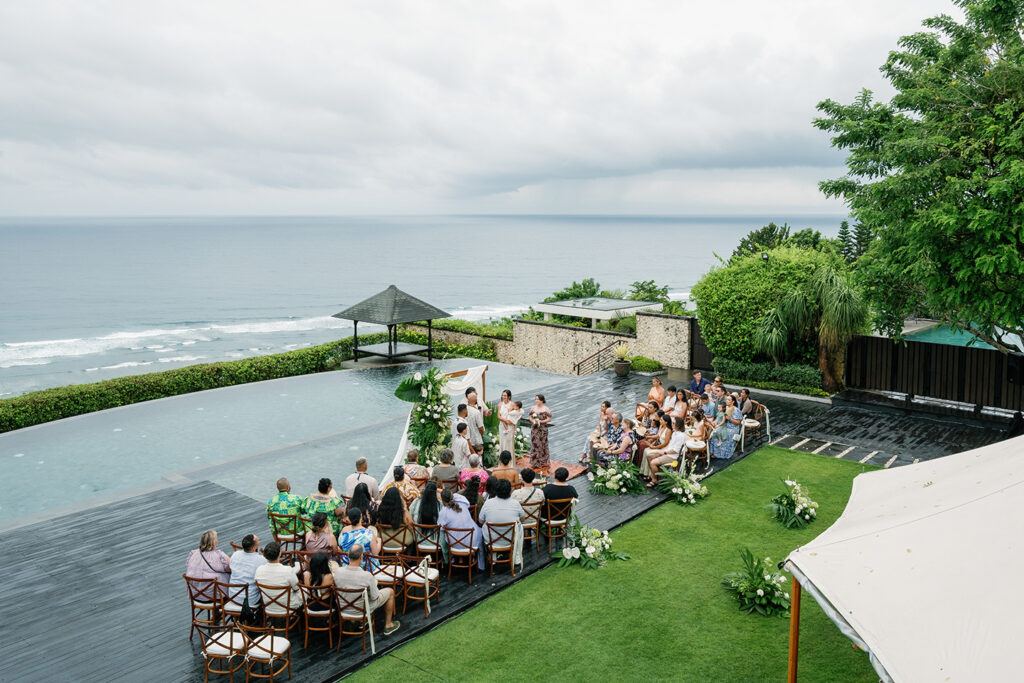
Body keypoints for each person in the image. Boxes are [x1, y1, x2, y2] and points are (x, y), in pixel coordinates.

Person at [332, 544, 400, 635]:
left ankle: (359, 622)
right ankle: (388, 625)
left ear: (348, 556)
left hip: (343, 609)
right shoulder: (367, 576)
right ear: (361, 556)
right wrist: (374, 584)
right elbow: (375, 597)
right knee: (390, 591)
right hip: (362, 610)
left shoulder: (338, 572)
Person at [438, 488, 484, 569]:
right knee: (478, 531)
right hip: (471, 542)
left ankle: (449, 560)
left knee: (444, 534)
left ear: (442, 500)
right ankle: (476, 561)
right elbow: (465, 500)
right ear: (453, 496)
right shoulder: (463, 504)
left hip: (454, 545)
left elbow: (440, 528)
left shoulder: (443, 512)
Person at [253, 541, 302, 612]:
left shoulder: (259, 569)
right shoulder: (288, 570)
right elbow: (296, 588)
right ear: (280, 554)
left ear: (264, 555)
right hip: (287, 607)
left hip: (268, 606)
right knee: (304, 590)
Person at [229, 534, 267, 608]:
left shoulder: (235, 555)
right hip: (250, 600)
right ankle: (262, 616)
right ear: (254, 547)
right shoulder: (261, 560)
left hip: (233, 598)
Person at [645, 416, 687, 483]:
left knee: (653, 463)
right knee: (649, 456)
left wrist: (664, 453)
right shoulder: (675, 433)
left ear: (678, 425)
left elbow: (675, 451)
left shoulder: (680, 436)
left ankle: (654, 480)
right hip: (667, 453)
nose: (672, 424)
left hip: (672, 457)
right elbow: (670, 445)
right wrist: (662, 451)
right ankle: (654, 475)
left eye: (673, 423)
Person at [710, 395, 743, 460]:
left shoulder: (736, 410)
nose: (726, 401)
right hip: (724, 425)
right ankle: (713, 452)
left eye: (728, 400)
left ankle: (721, 454)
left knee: (723, 435)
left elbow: (738, 422)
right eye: (726, 399)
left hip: (732, 428)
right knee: (714, 433)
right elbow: (719, 416)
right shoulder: (726, 408)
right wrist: (715, 422)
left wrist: (730, 419)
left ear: (733, 402)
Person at [528, 394, 551, 469]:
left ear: (541, 400)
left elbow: (549, 419)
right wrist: (533, 421)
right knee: (535, 444)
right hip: (535, 428)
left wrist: (541, 421)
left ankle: (543, 461)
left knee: (543, 444)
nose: (536, 400)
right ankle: (535, 462)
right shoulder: (533, 408)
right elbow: (530, 417)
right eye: (535, 399)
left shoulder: (546, 408)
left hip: (543, 428)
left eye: (537, 399)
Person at [497, 389, 517, 456]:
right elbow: (498, 416)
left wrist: (514, 427)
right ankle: (502, 461)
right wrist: (505, 421)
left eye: (505, 395)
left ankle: (509, 461)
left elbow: (515, 416)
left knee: (508, 443)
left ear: (509, 396)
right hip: (502, 426)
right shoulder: (500, 404)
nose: (503, 397)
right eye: (502, 395)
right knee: (502, 442)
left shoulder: (512, 404)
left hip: (510, 426)